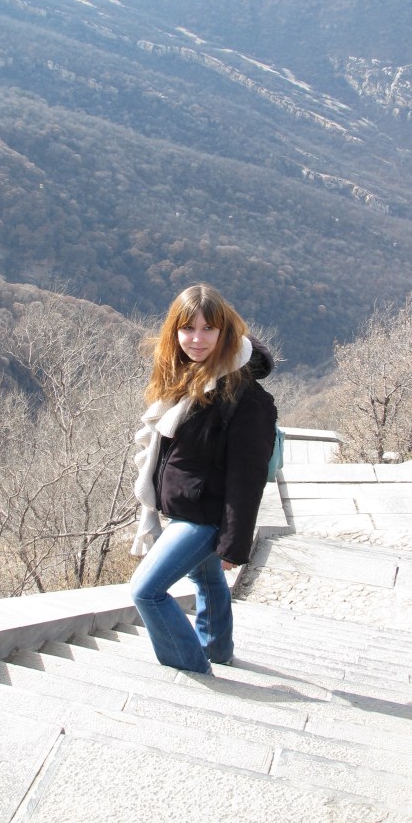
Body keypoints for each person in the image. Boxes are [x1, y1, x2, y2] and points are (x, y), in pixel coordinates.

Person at [129, 283, 277, 674]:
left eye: (208, 329)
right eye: (187, 329)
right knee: (206, 579)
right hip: (188, 506)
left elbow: (248, 479)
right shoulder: (187, 378)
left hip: (205, 517)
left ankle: (190, 667)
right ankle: (216, 649)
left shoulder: (246, 399)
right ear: (173, 332)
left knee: (146, 591)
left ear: (225, 332)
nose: (196, 339)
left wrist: (233, 543)